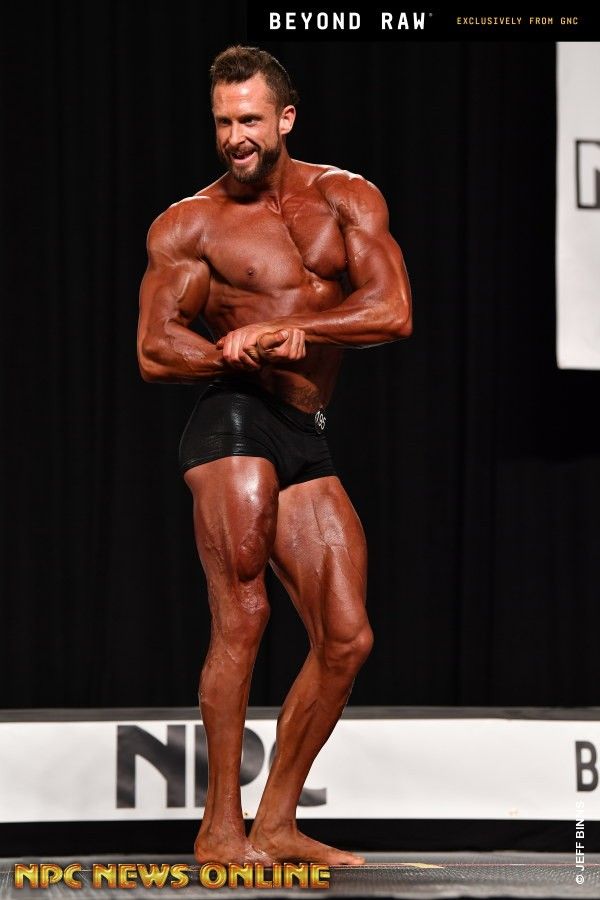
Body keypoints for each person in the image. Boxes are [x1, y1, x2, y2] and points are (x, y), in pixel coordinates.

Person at [137, 45, 412, 867]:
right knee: (244, 616)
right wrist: (227, 352)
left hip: (304, 427)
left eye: (250, 119)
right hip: (232, 420)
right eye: (224, 122)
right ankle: (220, 829)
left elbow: (392, 310)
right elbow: (154, 347)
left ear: (285, 118)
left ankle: (278, 822)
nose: (236, 137)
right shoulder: (190, 224)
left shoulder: (346, 197)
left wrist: (301, 328)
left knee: (346, 638)